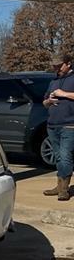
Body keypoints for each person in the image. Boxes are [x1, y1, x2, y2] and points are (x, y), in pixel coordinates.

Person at [42, 54, 74, 201]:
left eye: (59, 66)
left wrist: (64, 94)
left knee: (65, 155)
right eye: (54, 66)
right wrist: (49, 101)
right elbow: (44, 102)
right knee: (58, 156)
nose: (57, 69)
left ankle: (64, 189)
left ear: (68, 64)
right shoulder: (53, 81)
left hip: (69, 125)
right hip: (52, 124)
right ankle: (59, 185)